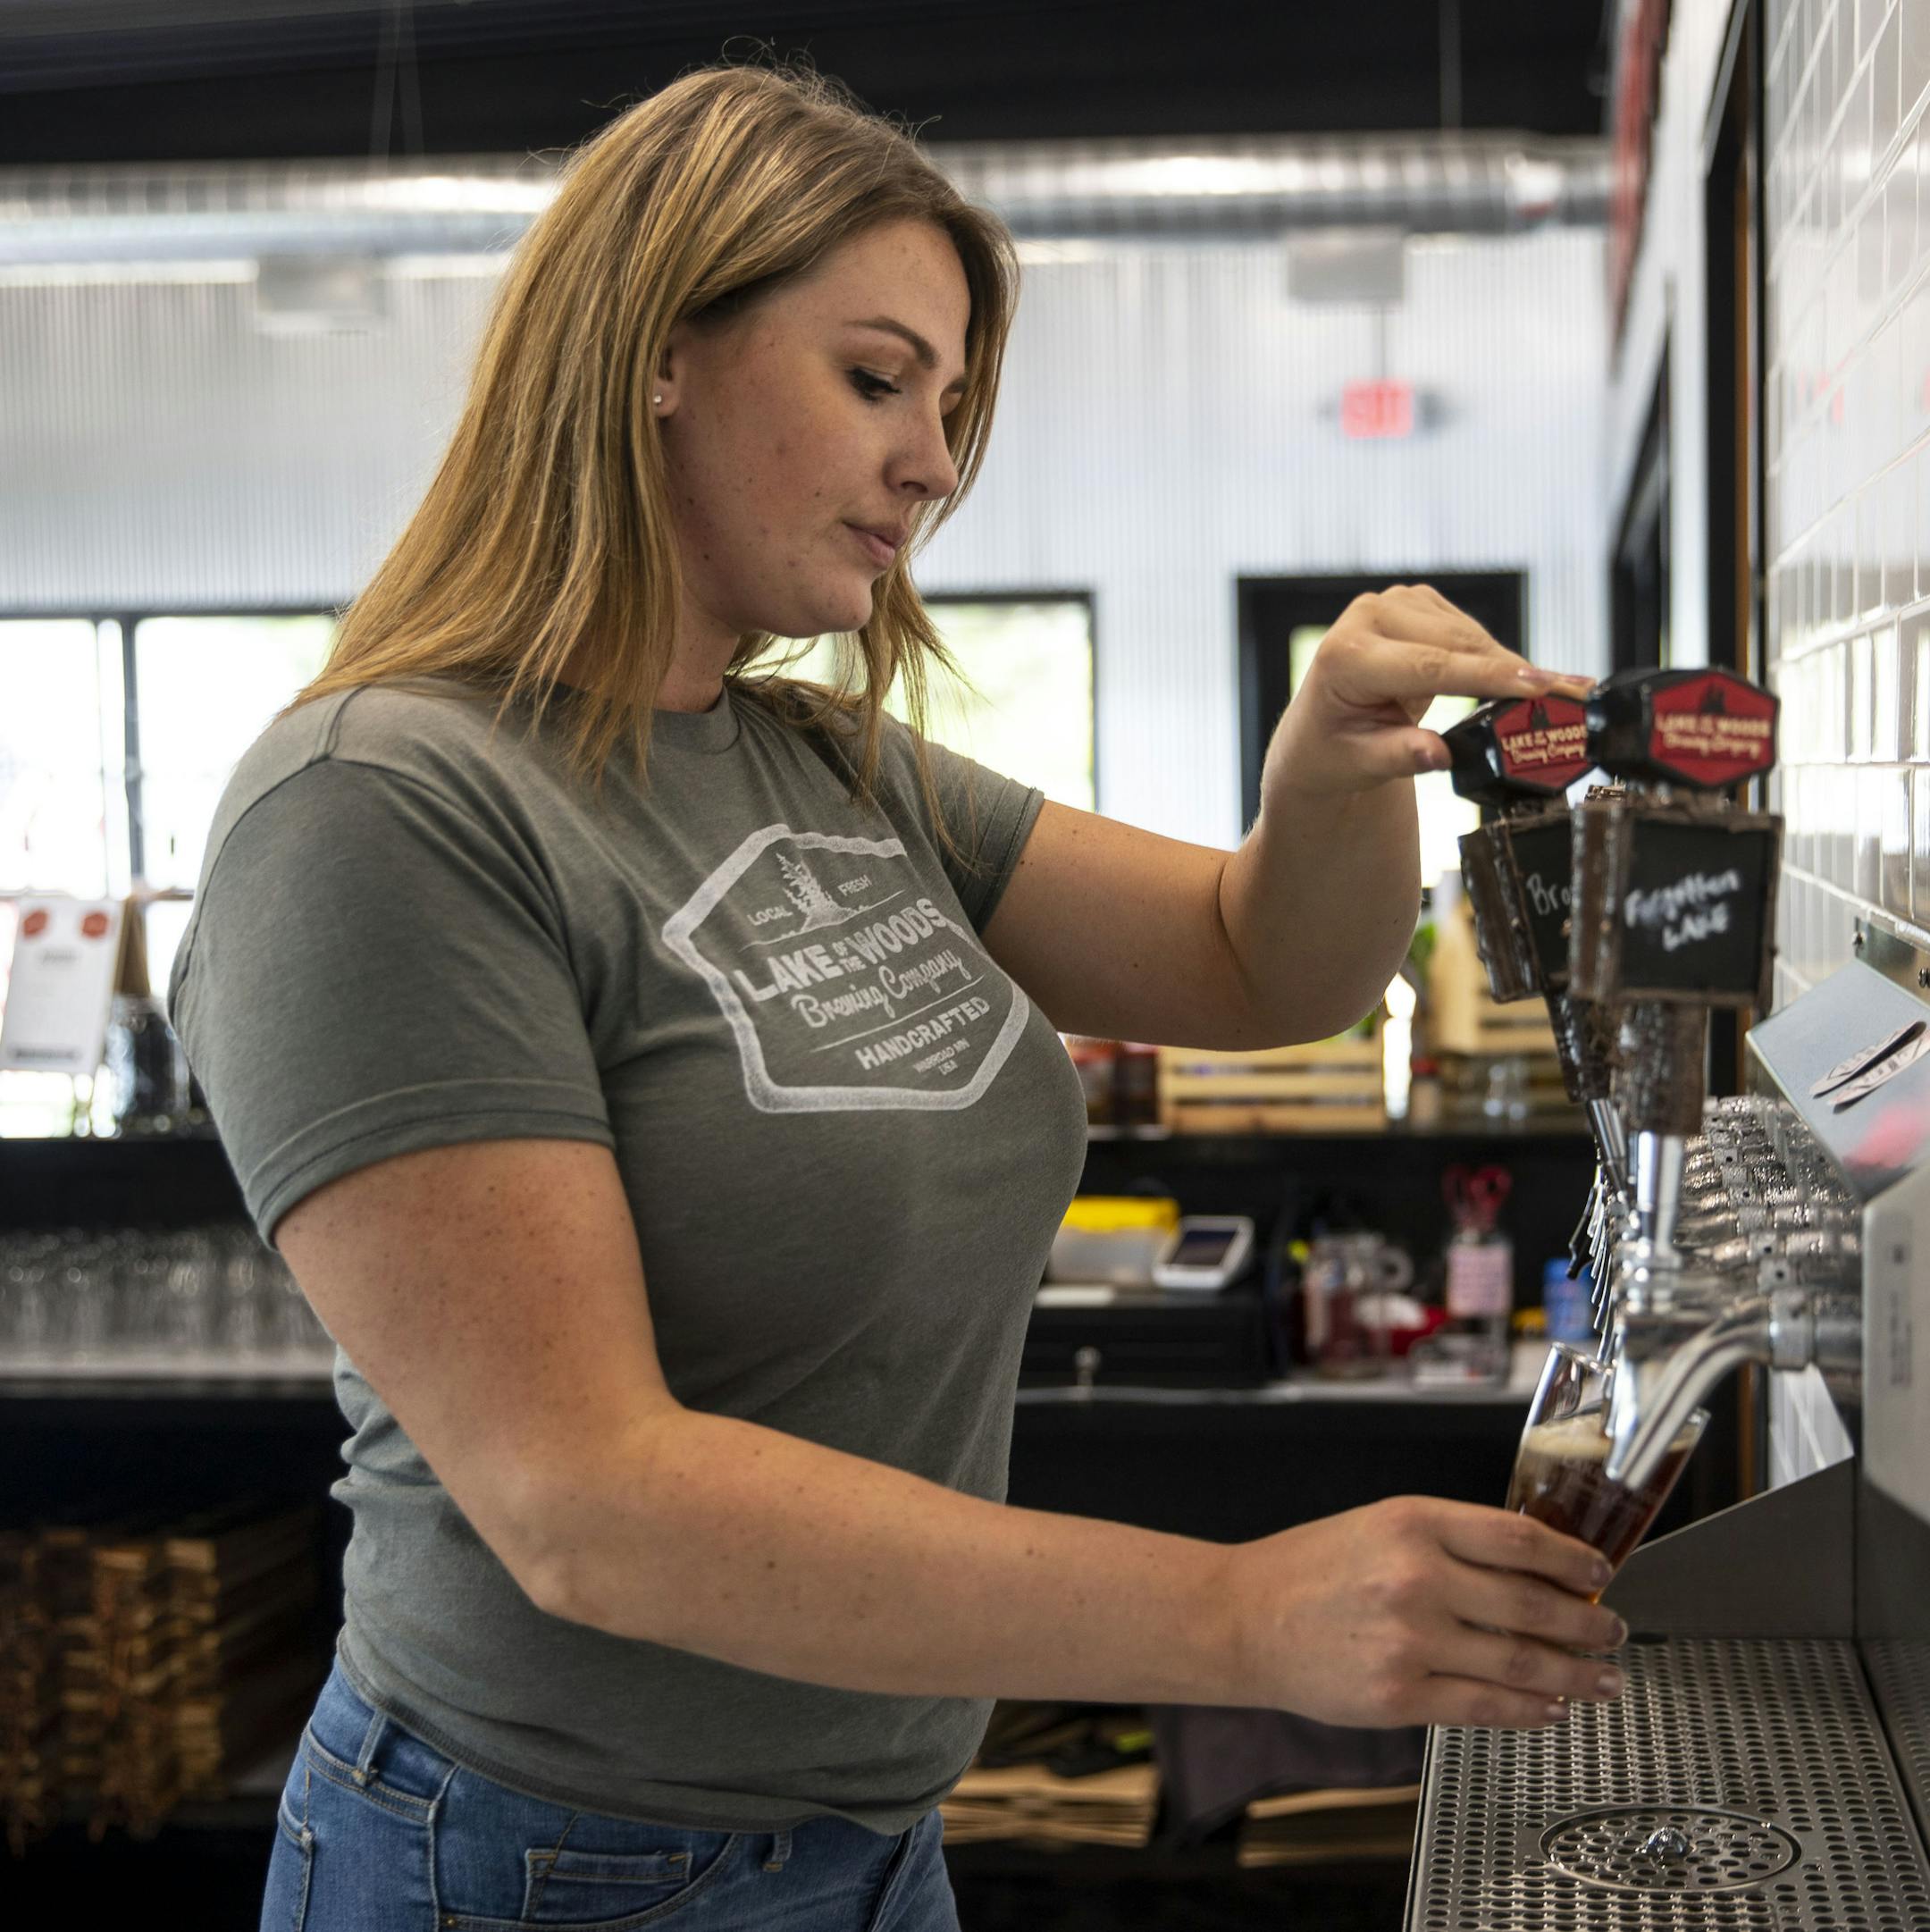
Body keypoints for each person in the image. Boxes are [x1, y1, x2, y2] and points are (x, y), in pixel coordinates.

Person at [168, 60, 1624, 1932]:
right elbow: (586, 1502)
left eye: (948, 405)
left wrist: (1330, 764)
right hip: (534, 1866)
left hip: (874, 1845)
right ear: (654, 354)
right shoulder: (377, 809)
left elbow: (1262, 961)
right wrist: (1240, 1612)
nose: (934, 462)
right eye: (877, 380)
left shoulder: (823, 762)